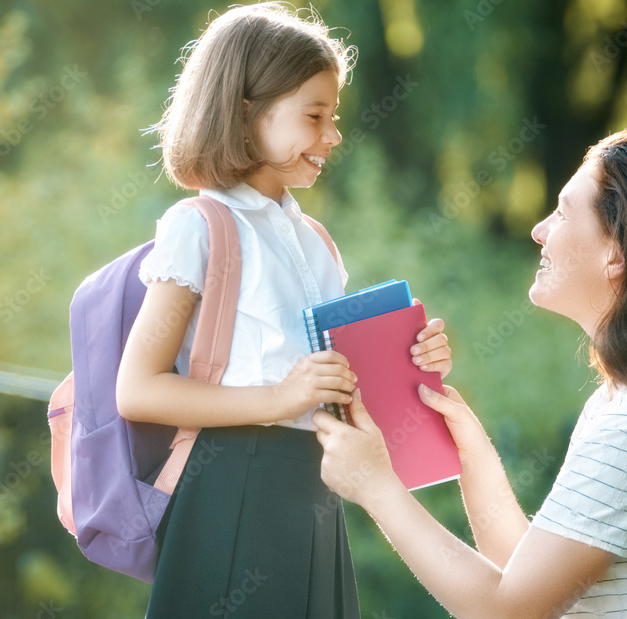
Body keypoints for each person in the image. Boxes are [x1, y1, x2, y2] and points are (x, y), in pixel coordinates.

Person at [314, 130, 627, 618]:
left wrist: (375, 487)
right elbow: (529, 580)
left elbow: (507, 612)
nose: (539, 229)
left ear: (617, 252)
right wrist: (472, 453)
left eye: (562, 211)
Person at [115, 4, 453, 617]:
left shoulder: (317, 243)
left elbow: (339, 395)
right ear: (247, 111)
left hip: (314, 487)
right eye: (315, 116)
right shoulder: (199, 228)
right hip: (229, 486)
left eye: (335, 117)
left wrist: (412, 365)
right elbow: (137, 390)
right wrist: (279, 398)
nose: (333, 135)